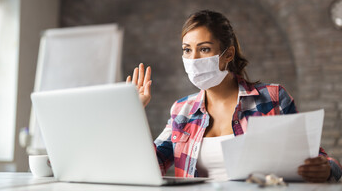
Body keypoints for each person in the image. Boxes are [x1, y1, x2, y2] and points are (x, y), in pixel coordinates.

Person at [126, 10, 342, 182]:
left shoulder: (272, 98)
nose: (193, 59)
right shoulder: (181, 111)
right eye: (187, 50)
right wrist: (133, 115)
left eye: (204, 49)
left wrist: (326, 168)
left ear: (227, 54)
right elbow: (149, 168)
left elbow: (319, 160)